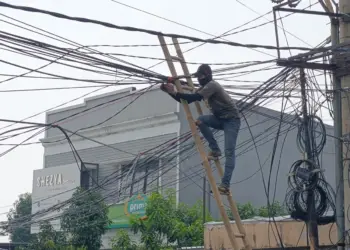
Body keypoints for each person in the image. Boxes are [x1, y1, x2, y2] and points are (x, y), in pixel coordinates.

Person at [160, 64, 241, 194]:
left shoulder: (212, 86)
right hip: (220, 119)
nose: (199, 79)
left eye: (201, 76)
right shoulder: (204, 87)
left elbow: (192, 98)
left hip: (232, 121)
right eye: (198, 77)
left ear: (208, 75)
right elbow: (184, 101)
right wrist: (171, 92)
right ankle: (215, 149)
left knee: (229, 152)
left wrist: (174, 91)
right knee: (201, 120)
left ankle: (225, 185)